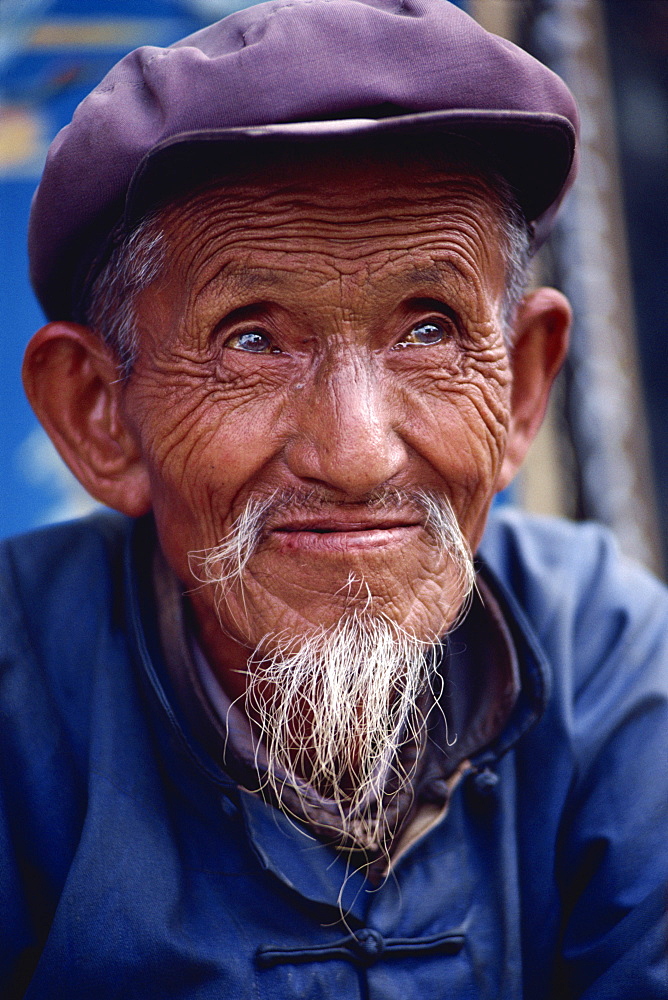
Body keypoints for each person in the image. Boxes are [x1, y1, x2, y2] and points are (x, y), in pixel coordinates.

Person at [1, 1, 666, 996]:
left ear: (522, 385)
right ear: (99, 413)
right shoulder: (17, 696)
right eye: (252, 339)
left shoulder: (604, 655)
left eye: (429, 329)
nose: (355, 455)